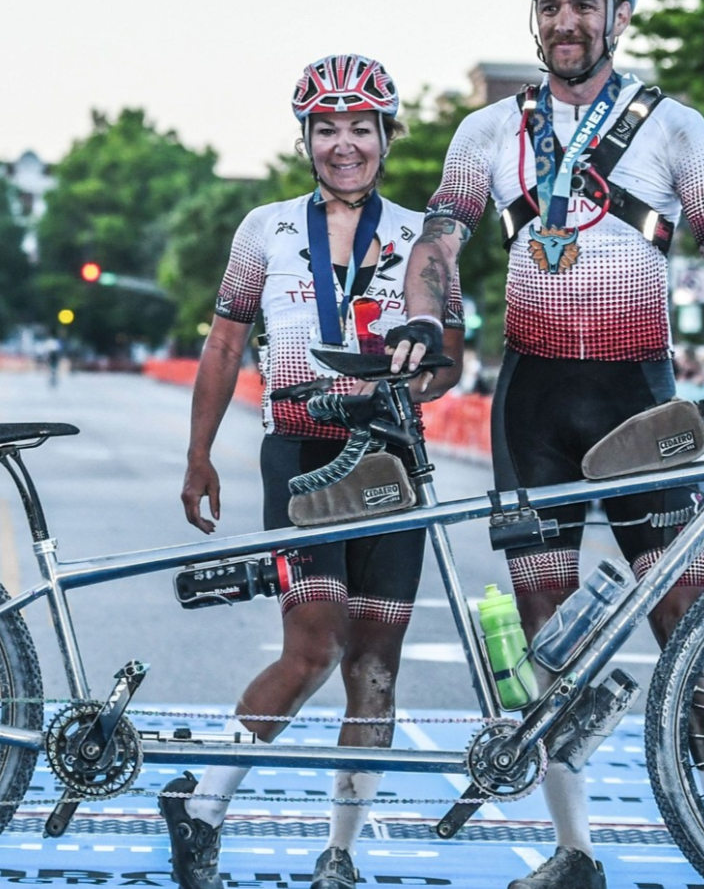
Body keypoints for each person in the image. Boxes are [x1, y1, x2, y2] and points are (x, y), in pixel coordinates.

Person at [388, 0, 704, 889]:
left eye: (584, 4)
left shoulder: (675, 127)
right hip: (532, 405)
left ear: (620, 15)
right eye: (549, 4)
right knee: (543, 636)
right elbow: (439, 243)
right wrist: (424, 321)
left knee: (689, 628)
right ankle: (576, 853)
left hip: (637, 400)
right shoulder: (488, 132)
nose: (565, 21)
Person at [165, 54, 464, 889]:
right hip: (298, 453)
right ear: (305, 139)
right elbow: (225, 343)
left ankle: (341, 852)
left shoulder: (423, 237)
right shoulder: (264, 228)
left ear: (386, 138)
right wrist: (198, 455)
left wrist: (421, 366)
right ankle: (204, 807)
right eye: (326, 128)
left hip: (393, 463)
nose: (344, 145)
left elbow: (453, 362)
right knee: (314, 646)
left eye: (360, 128)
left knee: (376, 665)